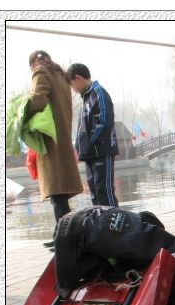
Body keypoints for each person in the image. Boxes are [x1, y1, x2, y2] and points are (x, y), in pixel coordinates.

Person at [26, 51, 83, 239]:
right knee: (60, 197)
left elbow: (37, 100)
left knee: (57, 195)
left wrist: (20, 113)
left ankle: (66, 240)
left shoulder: (41, 72)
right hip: (64, 143)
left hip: (51, 145)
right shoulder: (61, 76)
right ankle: (63, 236)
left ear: (34, 63)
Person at [66, 63, 119, 207]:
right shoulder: (86, 97)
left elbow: (103, 122)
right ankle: (100, 225)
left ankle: (114, 225)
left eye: (72, 84)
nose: (73, 89)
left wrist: (91, 142)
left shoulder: (98, 93)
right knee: (95, 191)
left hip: (101, 151)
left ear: (78, 78)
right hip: (90, 154)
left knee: (104, 190)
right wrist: (80, 147)